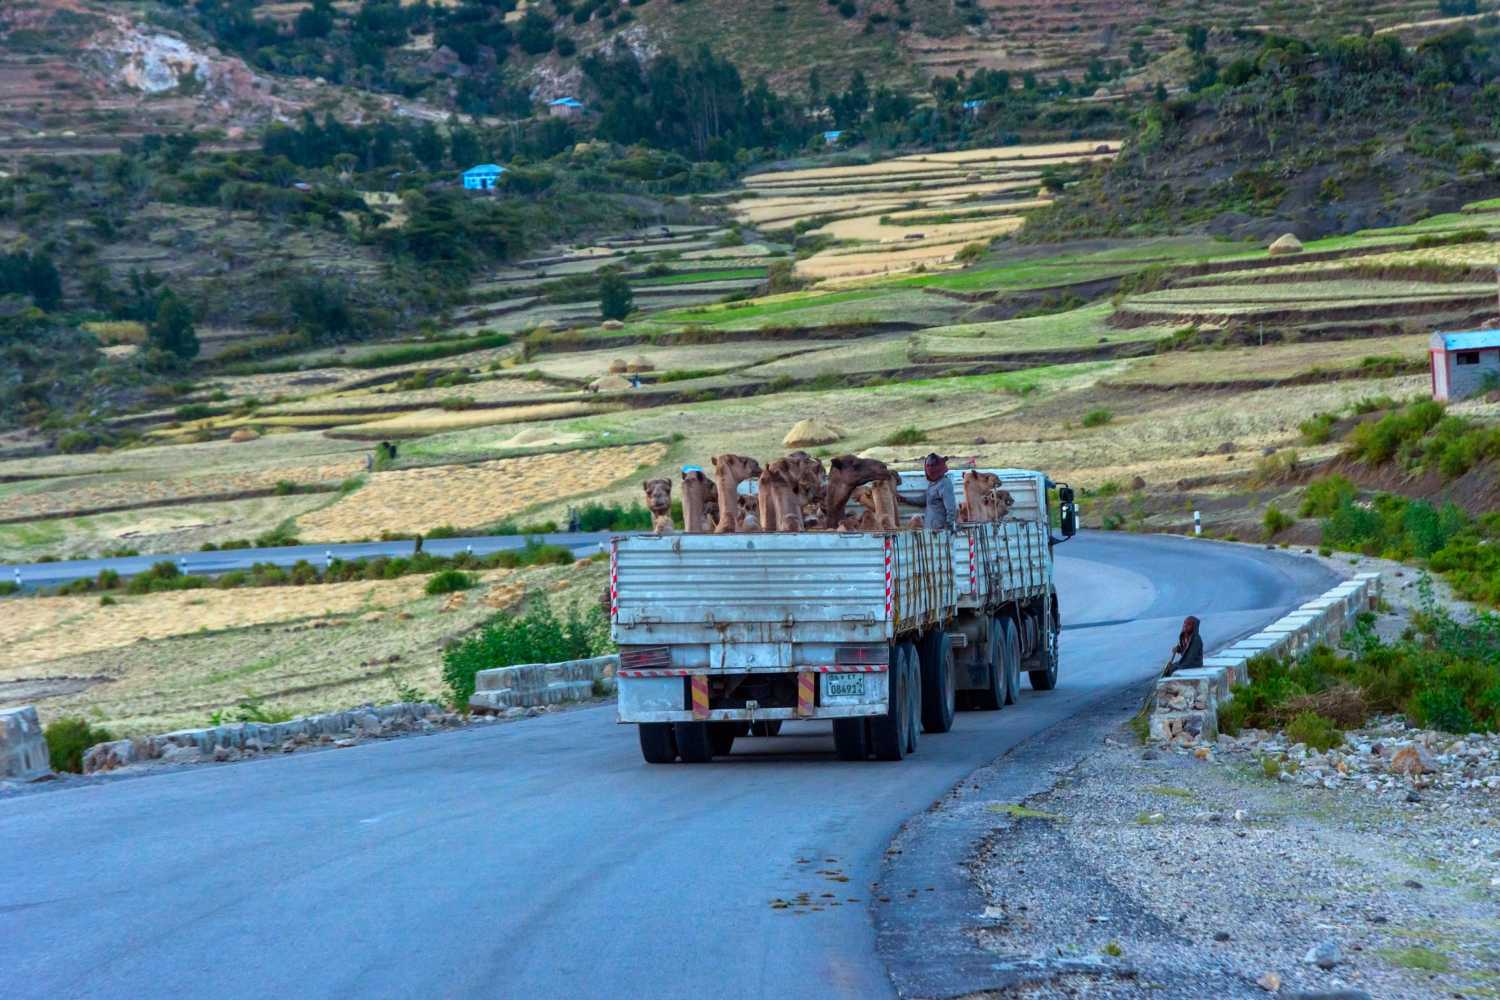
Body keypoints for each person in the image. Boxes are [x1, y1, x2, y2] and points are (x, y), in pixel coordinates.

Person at [898, 452, 958, 530]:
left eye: (932, 466)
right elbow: (924, 500)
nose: (930, 469)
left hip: (940, 532)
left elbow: (951, 509)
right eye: (928, 466)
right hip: (930, 532)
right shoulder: (933, 483)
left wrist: (948, 529)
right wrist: (904, 499)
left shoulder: (945, 484)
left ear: (939, 467)